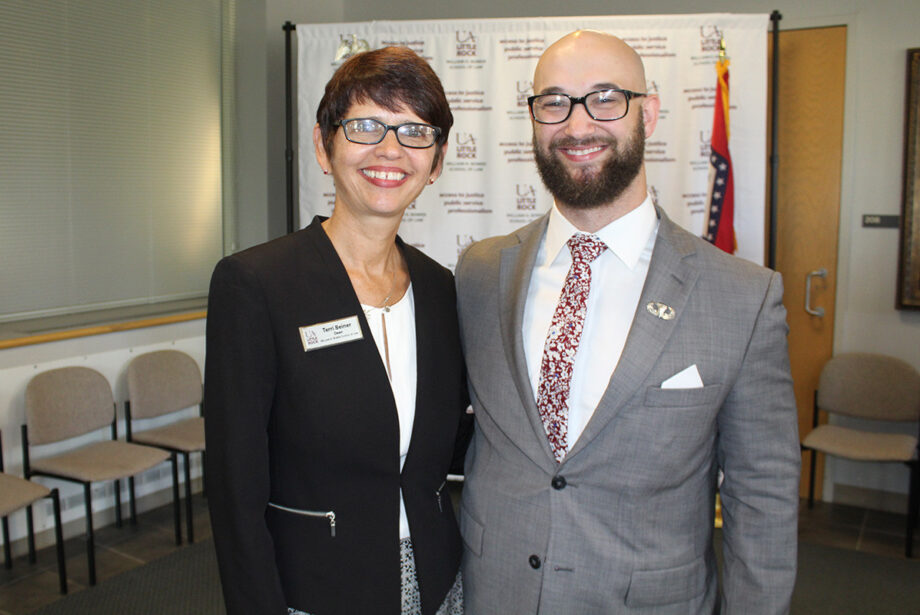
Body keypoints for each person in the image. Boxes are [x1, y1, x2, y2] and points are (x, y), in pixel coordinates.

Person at [455, 30, 800, 614]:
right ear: (533, 118)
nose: (578, 124)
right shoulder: (480, 272)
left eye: (606, 98)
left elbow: (763, 492)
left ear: (649, 113)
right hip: (495, 594)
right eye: (554, 102)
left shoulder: (743, 297)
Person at [205, 46, 470, 615]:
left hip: (436, 580)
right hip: (318, 587)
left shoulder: (440, 288)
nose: (391, 149)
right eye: (365, 126)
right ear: (323, 146)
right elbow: (234, 486)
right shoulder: (257, 284)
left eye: (415, 132)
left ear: (437, 161)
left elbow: (449, 443)